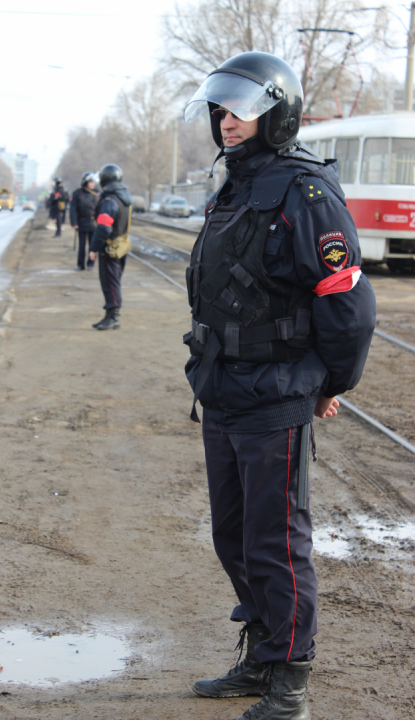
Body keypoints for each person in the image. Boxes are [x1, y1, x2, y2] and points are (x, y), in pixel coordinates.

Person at [182, 51, 376, 720]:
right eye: (220, 109)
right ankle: (262, 651)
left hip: (278, 392)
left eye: (240, 108)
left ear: (278, 113)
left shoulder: (306, 192)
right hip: (224, 388)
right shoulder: (232, 187)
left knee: (275, 542)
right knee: (232, 535)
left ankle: (288, 679)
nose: (225, 120)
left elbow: (346, 302)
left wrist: (331, 381)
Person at [89, 163, 132, 331]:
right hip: (120, 245)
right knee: (114, 282)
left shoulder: (109, 200)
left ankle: (113, 317)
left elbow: (104, 227)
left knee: (110, 283)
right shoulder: (124, 197)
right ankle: (109, 315)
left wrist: (93, 248)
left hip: (109, 248)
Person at [70, 172, 99, 270]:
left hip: (93, 223)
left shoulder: (97, 193)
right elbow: (73, 208)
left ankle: (91, 263)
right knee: (81, 246)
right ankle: (80, 264)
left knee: (93, 246)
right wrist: (74, 222)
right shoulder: (78, 193)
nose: (93, 184)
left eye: (93, 182)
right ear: (86, 182)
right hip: (81, 222)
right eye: (90, 182)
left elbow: (100, 208)